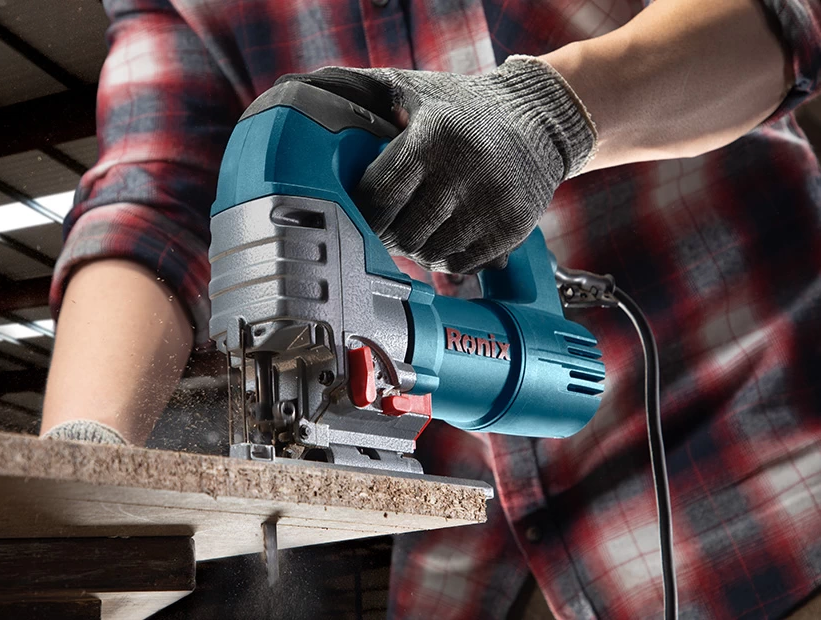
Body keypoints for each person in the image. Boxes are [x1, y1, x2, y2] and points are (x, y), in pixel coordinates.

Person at [40, 0, 821, 617]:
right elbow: (153, 198)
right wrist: (81, 460)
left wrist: (554, 115)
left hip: (759, 493)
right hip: (466, 559)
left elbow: (782, 19)